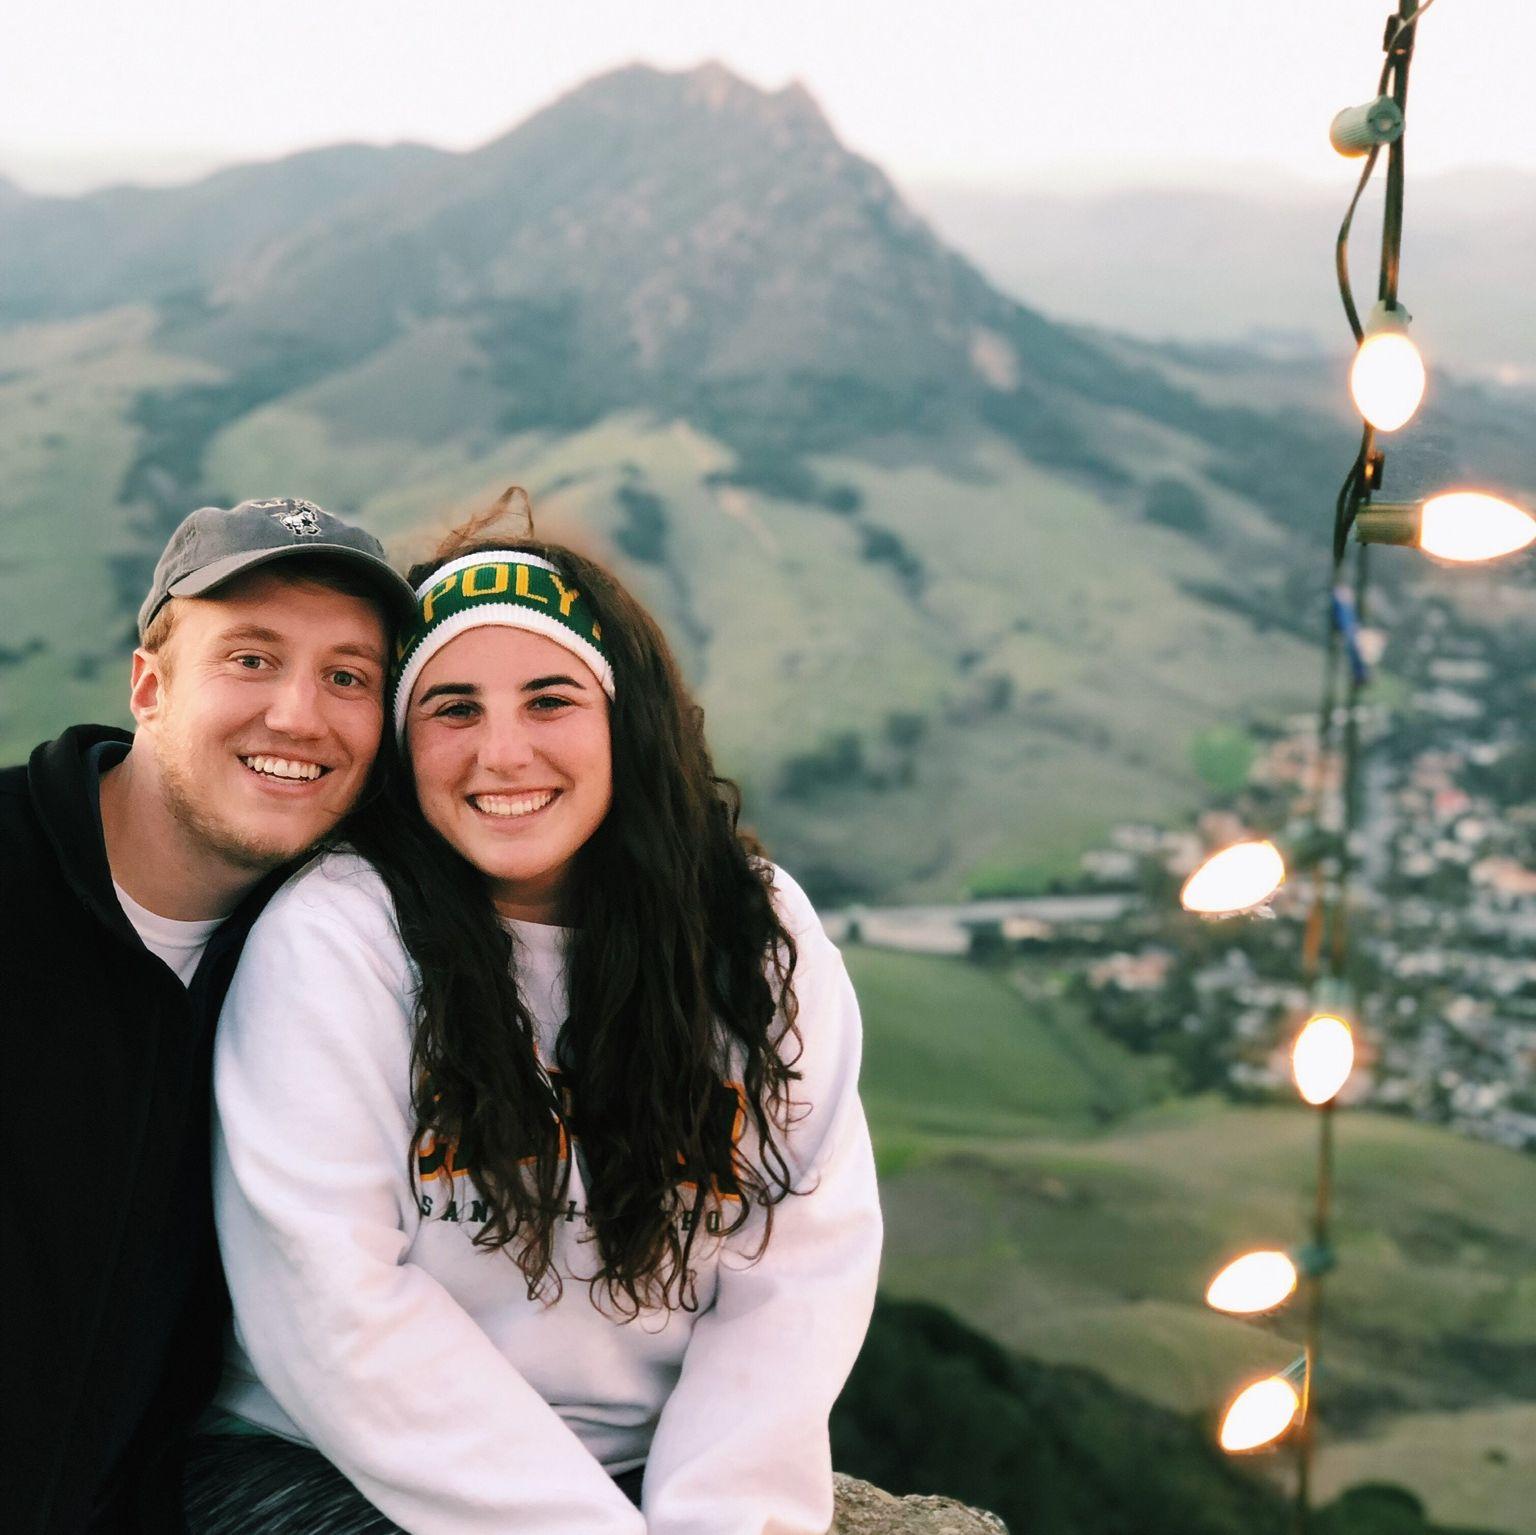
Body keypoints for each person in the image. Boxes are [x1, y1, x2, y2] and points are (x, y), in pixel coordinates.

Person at [193, 501, 884, 1535]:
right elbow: (334, 1307)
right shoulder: (338, 939)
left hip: (638, 1465)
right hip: (330, 1463)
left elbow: (797, 1264)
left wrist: (723, 1516)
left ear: (626, 718)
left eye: (550, 698)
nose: (502, 752)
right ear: (400, 745)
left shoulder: (753, 928)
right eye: (454, 708)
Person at [0, 497, 415, 1535]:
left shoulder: (339, 967)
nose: (299, 715)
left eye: (348, 677)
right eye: (251, 658)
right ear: (150, 684)